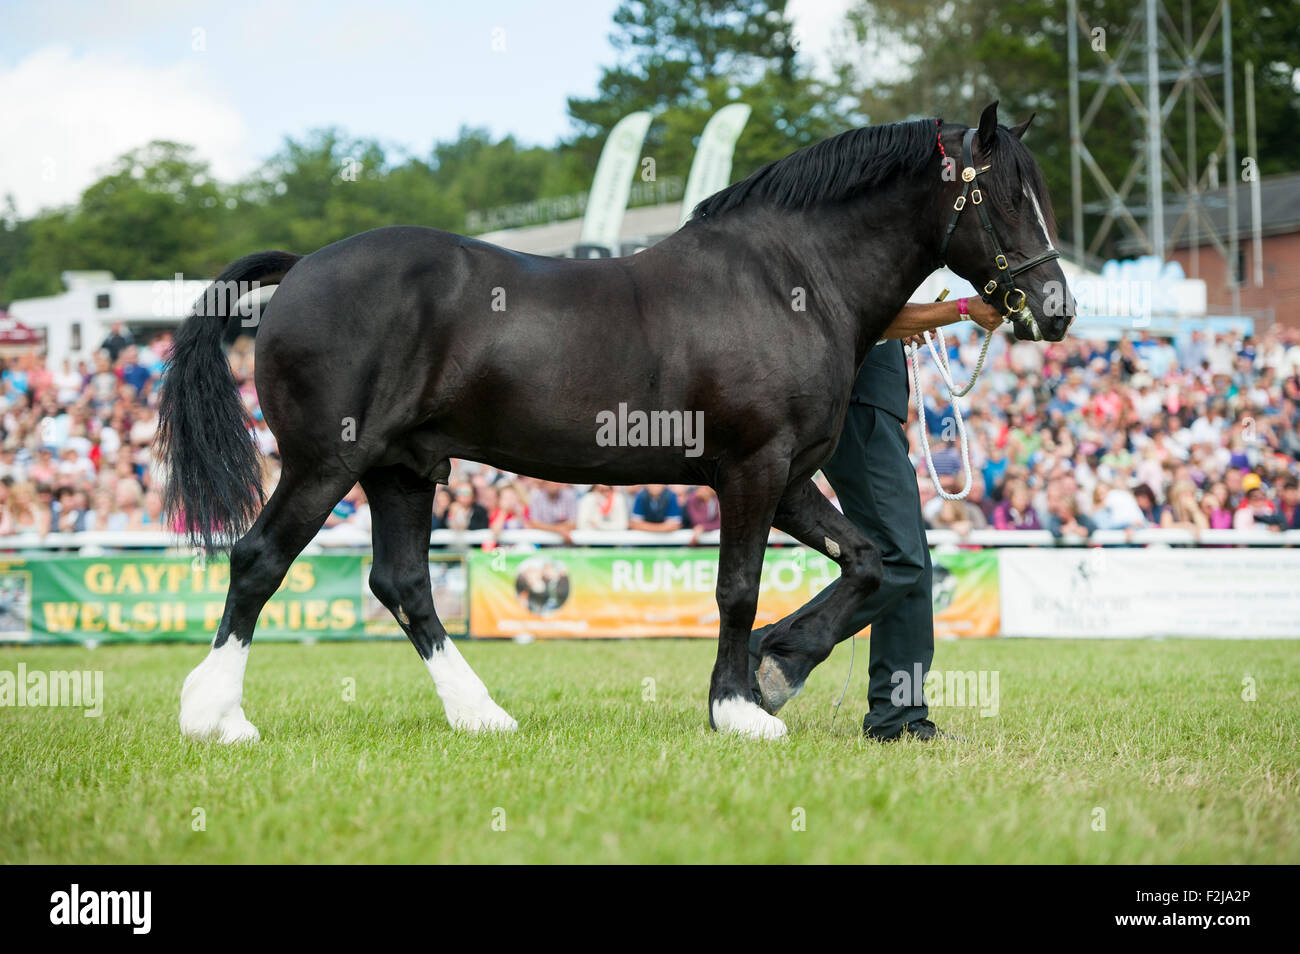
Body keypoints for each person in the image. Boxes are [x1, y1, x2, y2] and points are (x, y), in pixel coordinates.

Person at [751, 294, 1005, 742]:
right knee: (900, 557)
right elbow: (863, 309)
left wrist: (916, 318)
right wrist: (961, 310)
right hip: (859, 403)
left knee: (913, 565)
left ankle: (898, 718)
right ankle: (770, 651)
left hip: (870, 406)